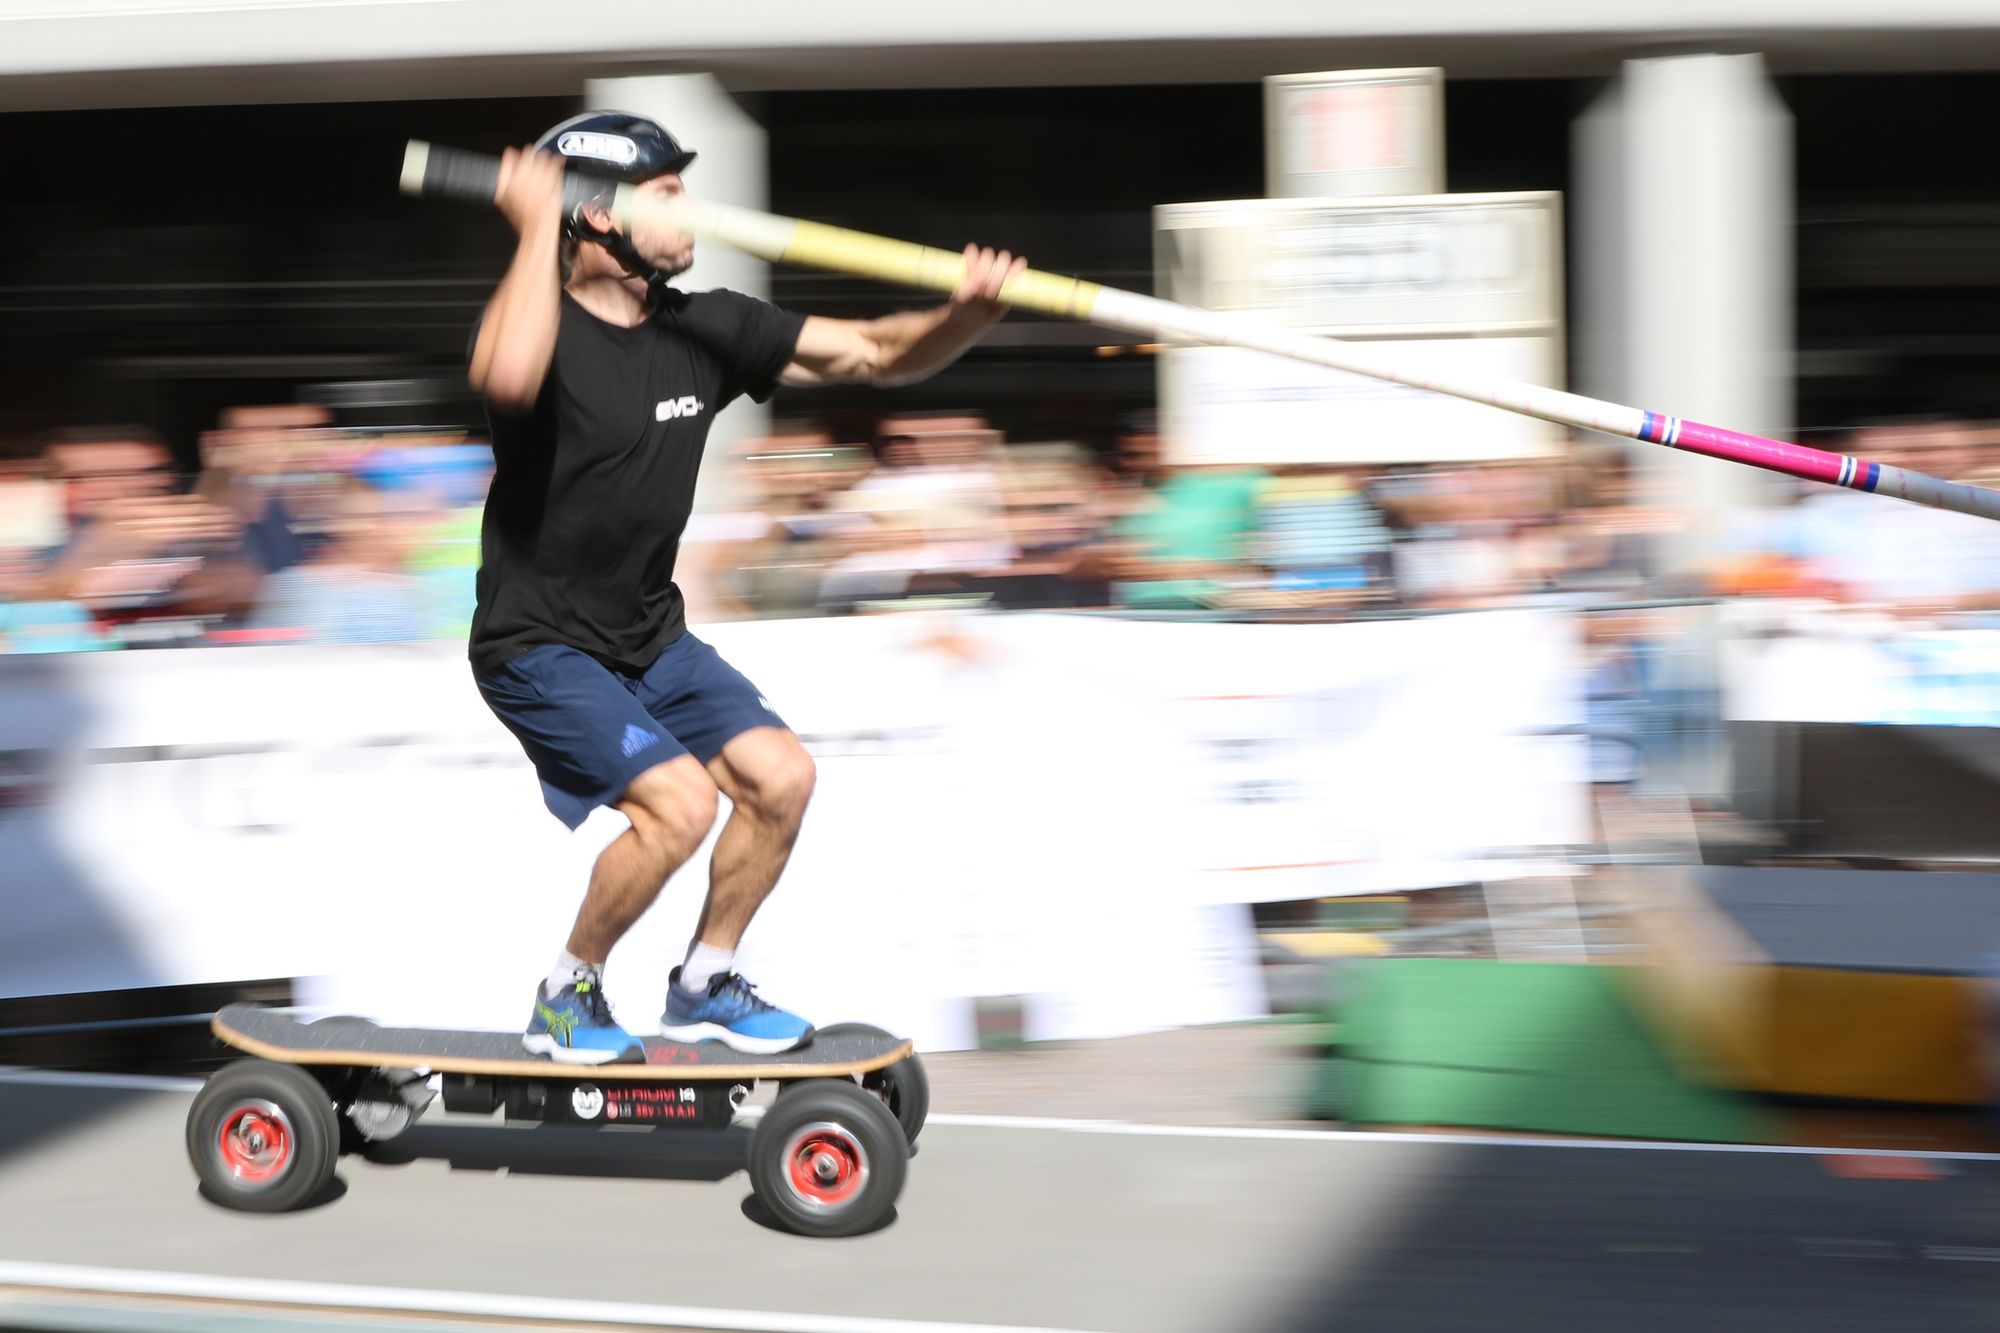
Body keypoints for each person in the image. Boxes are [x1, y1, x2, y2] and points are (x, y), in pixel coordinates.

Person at [468, 111, 1025, 1064]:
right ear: (596, 216)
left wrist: (964, 317)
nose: (694, 210)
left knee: (781, 778)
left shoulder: (706, 326)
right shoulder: (538, 325)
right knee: (681, 805)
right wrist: (531, 228)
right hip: (538, 643)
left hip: (648, 636)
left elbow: (874, 352)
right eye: (668, 194)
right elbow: (509, 377)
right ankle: (566, 992)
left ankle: (704, 980)